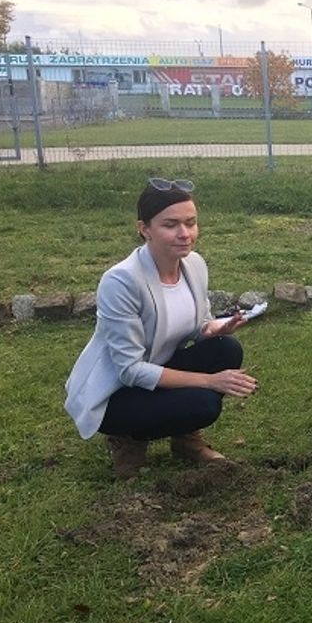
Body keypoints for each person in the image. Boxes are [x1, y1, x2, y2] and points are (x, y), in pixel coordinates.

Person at [65, 178, 258, 479]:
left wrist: (216, 328)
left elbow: (197, 326)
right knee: (204, 402)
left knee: (226, 348)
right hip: (117, 393)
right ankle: (127, 439)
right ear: (144, 229)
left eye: (191, 223)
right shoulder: (122, 281)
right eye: (171, 225)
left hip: (157, 369)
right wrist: (209, 381)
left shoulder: (193, 264)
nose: (185, 234)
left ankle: (184, 441)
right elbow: (129, 369)